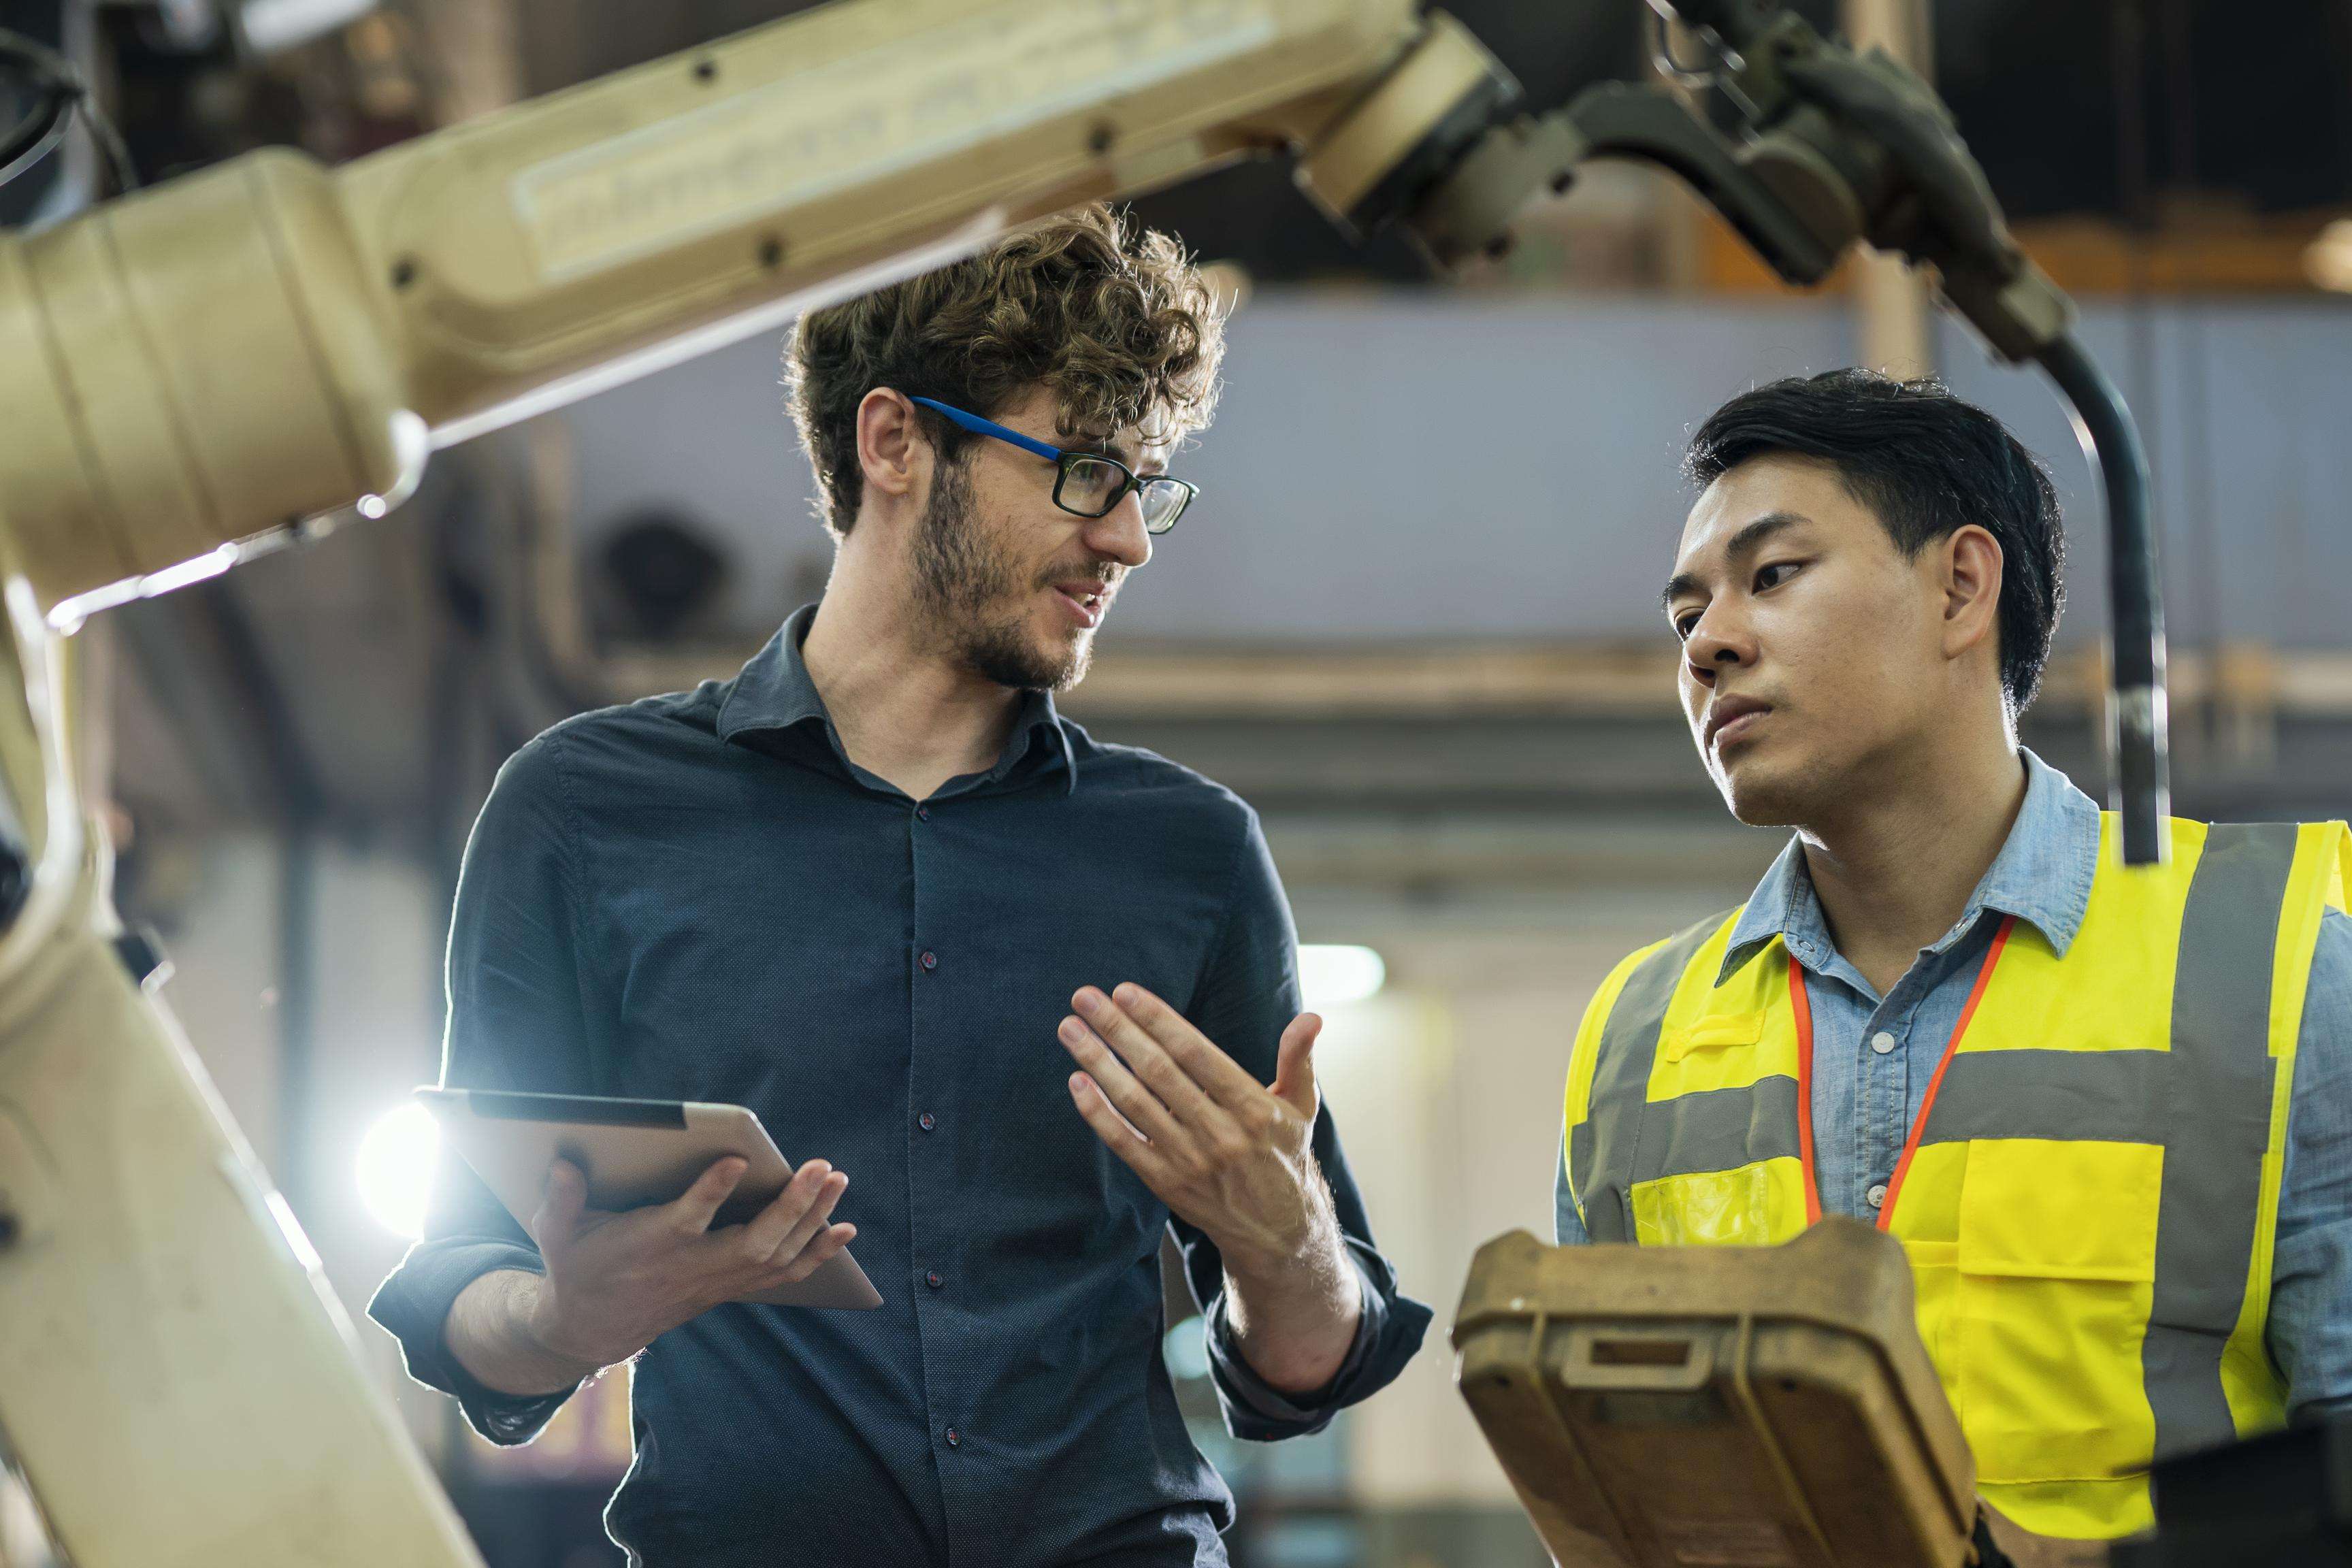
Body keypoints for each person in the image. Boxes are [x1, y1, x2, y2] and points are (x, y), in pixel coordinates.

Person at [370, 204, 1430, 1568]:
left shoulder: (1189, 853)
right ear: (894, 444)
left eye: (1146, 486)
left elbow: (1305, 1363)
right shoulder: (584, 813)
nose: (1130, 543)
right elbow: (465, 1289)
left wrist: (1293, 1252)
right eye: (1087, 472)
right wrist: (567, 1321)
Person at [1554, 370, 2351, 1565]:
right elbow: (1605, 1493)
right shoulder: (1636, 1038)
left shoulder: (2279, 957)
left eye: (1772, 577)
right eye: (1686, 617)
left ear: (1960, 587)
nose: (1709, 643)